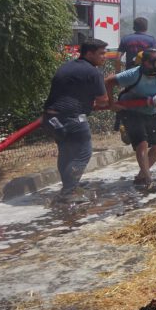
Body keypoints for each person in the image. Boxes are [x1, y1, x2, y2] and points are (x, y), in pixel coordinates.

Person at [42, 38, 111, 203]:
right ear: (89, 53)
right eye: (101, 53)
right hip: (71, 119)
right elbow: (103, 100)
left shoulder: (67, 66)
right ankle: (68, 193)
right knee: (83, 153)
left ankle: (70, 185)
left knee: (66, 153)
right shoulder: (93, 72)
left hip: (50, 119)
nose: (105, 57)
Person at [105, 47, 156, 189]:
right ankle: (147, 179)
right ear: (145, 63)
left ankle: (140, 176)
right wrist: (111, 103)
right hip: (131, 111)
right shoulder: (134, 74)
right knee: (142, 144)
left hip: (152, 110)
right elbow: (108, 81)